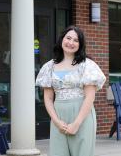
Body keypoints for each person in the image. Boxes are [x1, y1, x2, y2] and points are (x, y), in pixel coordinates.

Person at [36, 25, 106, 156]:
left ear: (80, 44)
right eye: (68, 38)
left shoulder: (87, 65)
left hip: (82, 116)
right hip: (58, 117)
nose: (71, 43)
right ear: (62, 39)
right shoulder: (49, 67)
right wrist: (56, 121)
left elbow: (90, 97)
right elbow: (48, 98)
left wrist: (76, 123)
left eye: (76, 40)